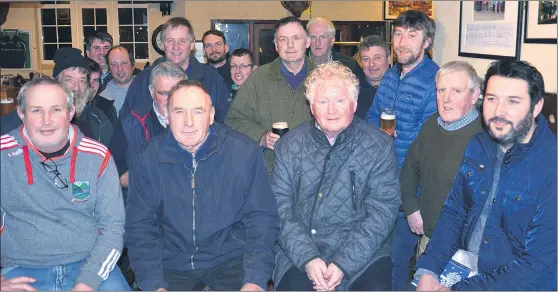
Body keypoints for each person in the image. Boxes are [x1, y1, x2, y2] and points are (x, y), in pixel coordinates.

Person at [415, 60, 557, 291]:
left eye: (513, 101)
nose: (498, 111)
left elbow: (541, 268)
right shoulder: (480, 143)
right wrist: (428, 270)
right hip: (464, 267)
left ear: (537, 106)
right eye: (492, 99)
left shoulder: (551, 165)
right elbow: (455, 211)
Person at [125, 79, 279, 291]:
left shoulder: (244, 153)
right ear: (166, 116)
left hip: (232, 259)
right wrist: (153, 285)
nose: (188, 122)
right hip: (170, 263)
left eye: (198, 111)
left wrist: (255, 280)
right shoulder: (147, 158)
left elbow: (261, 219)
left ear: (212, 115)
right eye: (179, 112)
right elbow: (140, 228)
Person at [272, 62, 400, 291]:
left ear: (354, 104)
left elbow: (383, 212)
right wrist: (308, 259)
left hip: (364, 255)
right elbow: (279, 210)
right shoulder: (288, 146)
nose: (331, 110)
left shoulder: (379, 145)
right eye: (323, 102)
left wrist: (343, 263)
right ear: (312, 107)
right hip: (300, 252)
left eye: (340, 101)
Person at [0, 76, 128, 291]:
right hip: (21, 269)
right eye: (36, 110)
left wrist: (88, 282)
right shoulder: (3, 154)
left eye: (56, 110)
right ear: (21, 114)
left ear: (71, 113)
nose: (47, 120)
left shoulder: (97, 156)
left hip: (89, 264)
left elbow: (114, 228)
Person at [365, 10, 439, 289]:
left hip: (412, 191)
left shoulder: (435, 81)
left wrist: (412, 203)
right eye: (397, 34)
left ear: (426, 42)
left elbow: (428, 143)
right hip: (383, 183)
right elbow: (373, 116)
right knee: (379, 257)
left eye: (412, 35)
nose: (402, 42)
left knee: (399, 262)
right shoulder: (390, 76)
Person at [400, 61, 484, 263]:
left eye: (456, 91)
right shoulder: (432, 124)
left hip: (463, 250)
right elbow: (410, 167)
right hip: (428, 239)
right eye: (441, 90)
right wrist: (411, 207)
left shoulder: (484, 139)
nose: (446, 99)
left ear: (474, 95)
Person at [225, 16, 316, 170]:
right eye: (283, 39)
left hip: (314, 170)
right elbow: (234, 120)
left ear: (307, 42)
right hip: (270, 171)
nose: (290, 45)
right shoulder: (258, 79)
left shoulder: (323, 78)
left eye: (296, 38)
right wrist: (261, 137)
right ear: (275, 46)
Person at [120, 17, 230, 123]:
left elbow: (225, 122)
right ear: (163, 45)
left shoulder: (212, 80)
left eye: (182, 41)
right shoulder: (143, 80)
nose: (176, 47)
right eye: (170, 40)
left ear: (192, 45)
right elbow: (127, 122)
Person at [121, 61, 186, 165]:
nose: (170, 100)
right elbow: (118, 171)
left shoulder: (200, 122)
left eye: (176, 93)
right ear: (152, 92)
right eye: (164, 93)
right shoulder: (131, 124)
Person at [355, 35, 390, 119]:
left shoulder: (402, 88)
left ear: (389, 59)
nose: (371, 64)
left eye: (377, 58)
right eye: (366, 59)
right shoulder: (353, 91)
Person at [97, 46, 136, 117]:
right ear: (109, 69)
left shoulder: (148, 88)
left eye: (124, 63)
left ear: (133, 65)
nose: (120, 69)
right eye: (114, 64)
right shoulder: (103, 100)